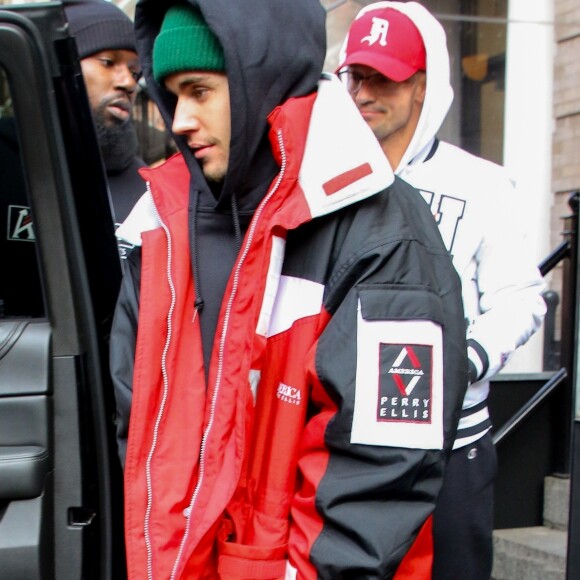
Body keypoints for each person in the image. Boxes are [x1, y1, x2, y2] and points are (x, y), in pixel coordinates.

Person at [110, 0, 468, 577]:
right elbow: (139, 422)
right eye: (172, 95)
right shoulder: (162, 218)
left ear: (260, 77)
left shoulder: (379, 231)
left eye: (200, 91)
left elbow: (380, 471)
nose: (178, 120)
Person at [337, 3, 547, 579]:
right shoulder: (327, 181)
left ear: (424, 83)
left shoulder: (479, 183)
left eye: (383, 77)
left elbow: (520, 296)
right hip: (346, 451)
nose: (364, 93)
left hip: (452, 448)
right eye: (355, 76)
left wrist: (467, 360)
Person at [63, 0, 146, 236]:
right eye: (108, 62)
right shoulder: (11, 161)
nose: (129, 83)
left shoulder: (148, 196)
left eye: (134, 71)